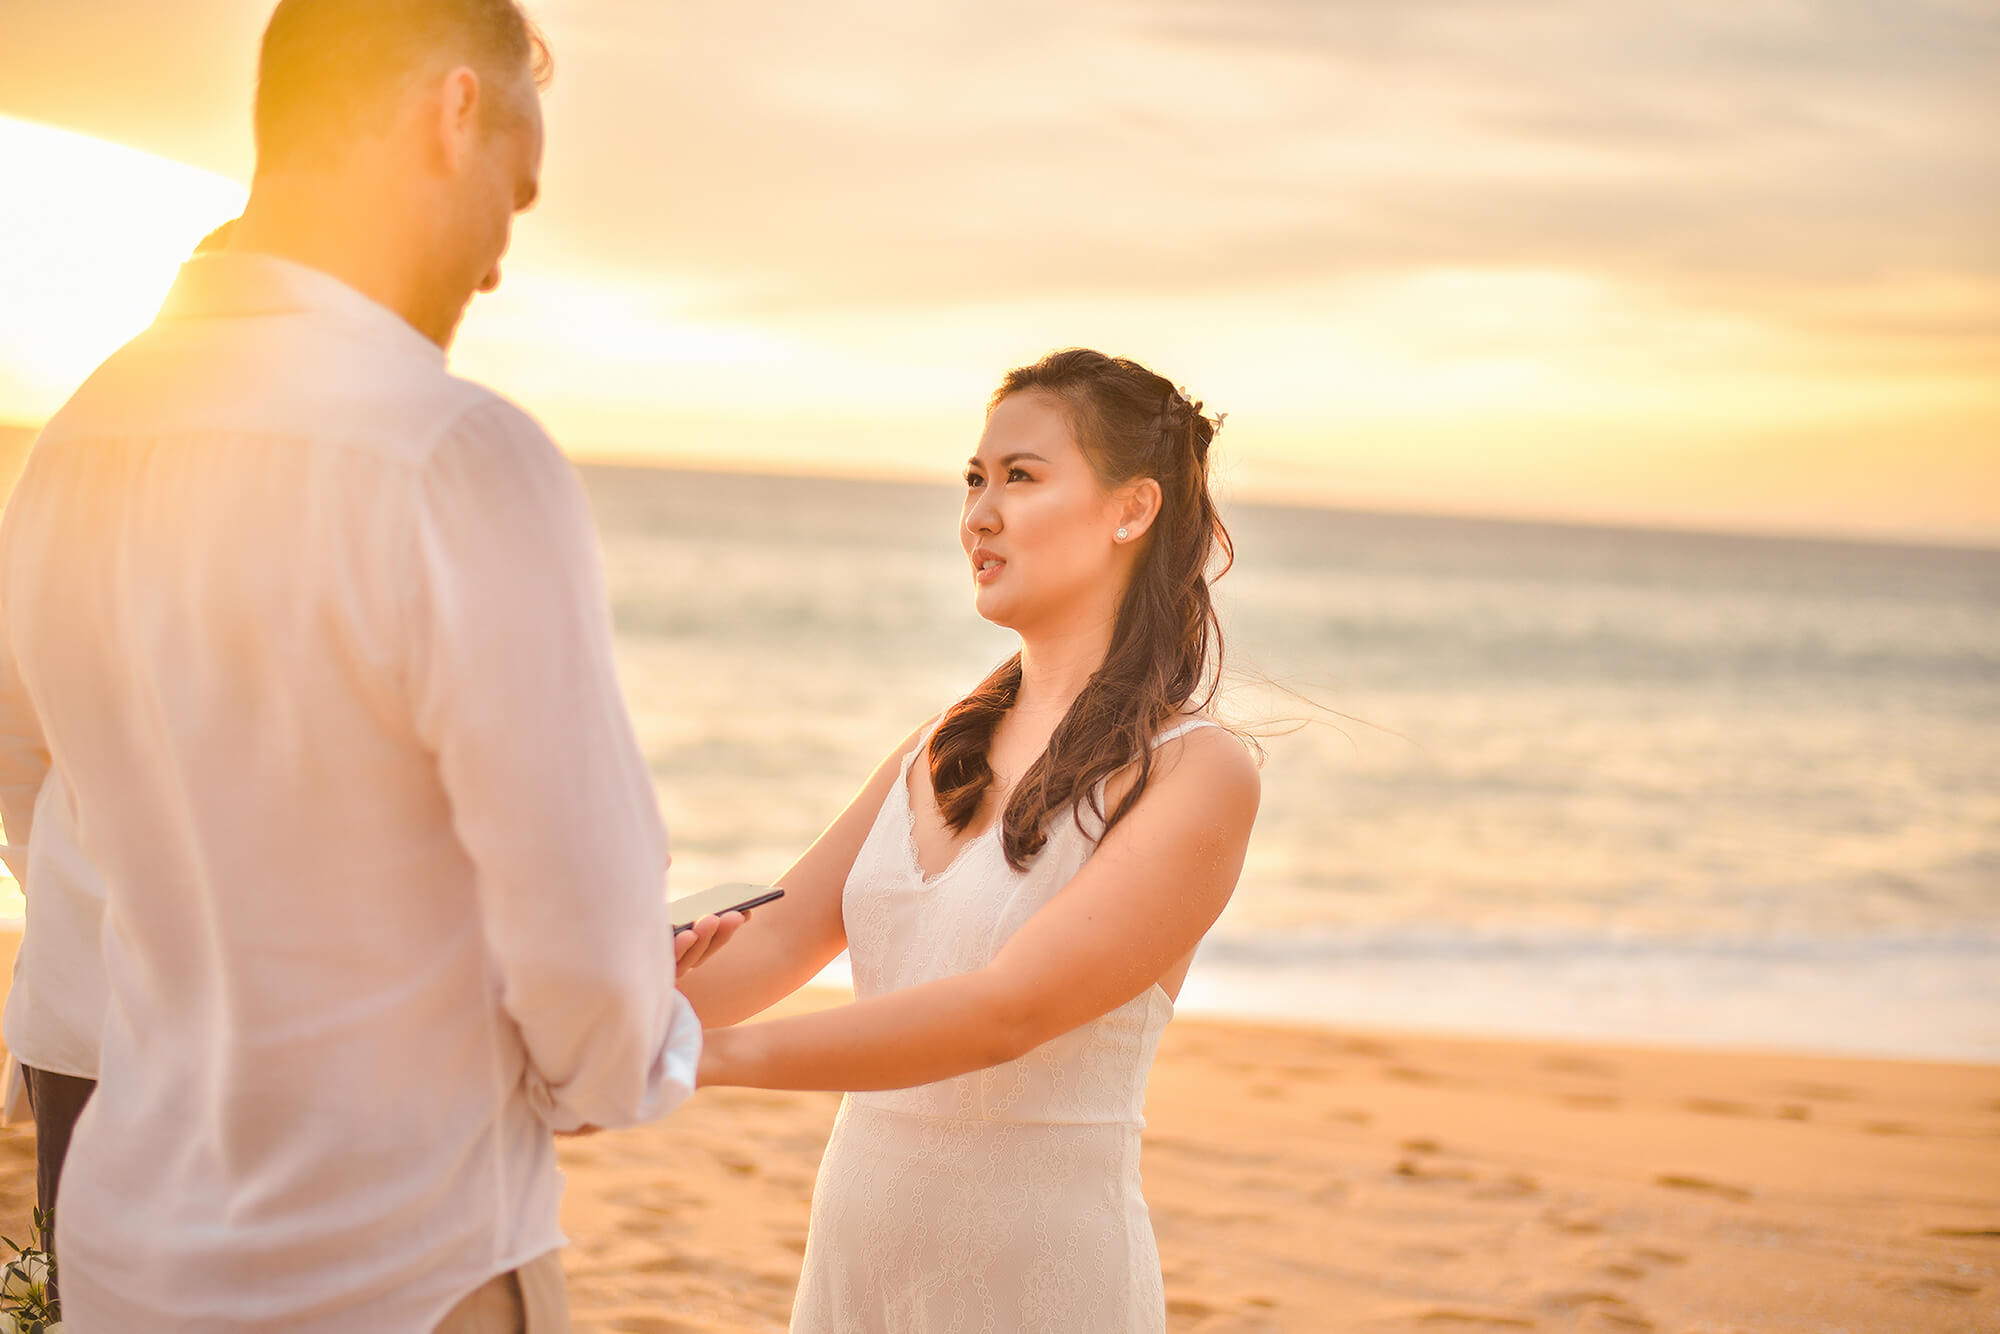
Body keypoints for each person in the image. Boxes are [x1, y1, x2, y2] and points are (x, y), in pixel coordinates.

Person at [0, 2, 738, 1329]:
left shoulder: (70, 449)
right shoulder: (456, 454)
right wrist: (630, 1048)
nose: (499, 265)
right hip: (399, 1266)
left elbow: (44, 787)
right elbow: (583, 950)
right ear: (452, 114)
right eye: (514, 197)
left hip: (128, 1256)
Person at [675, 348, 1262, 1332]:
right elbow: (771, 940)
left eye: (1020, 477)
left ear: (1131, 508)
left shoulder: (1195, 770)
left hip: (1039, 1287)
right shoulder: (935, 746)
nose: (977, 515)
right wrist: (591, 995)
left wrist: (696, 1058)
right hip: (856, 1273)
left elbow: (1004, 1011)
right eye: (973, 480)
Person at [0, 213, 241, 1290]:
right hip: (159, 1007)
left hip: (84, 984)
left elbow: (14, 728)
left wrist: (59, 873)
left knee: (81, 1285)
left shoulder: (83, 429)